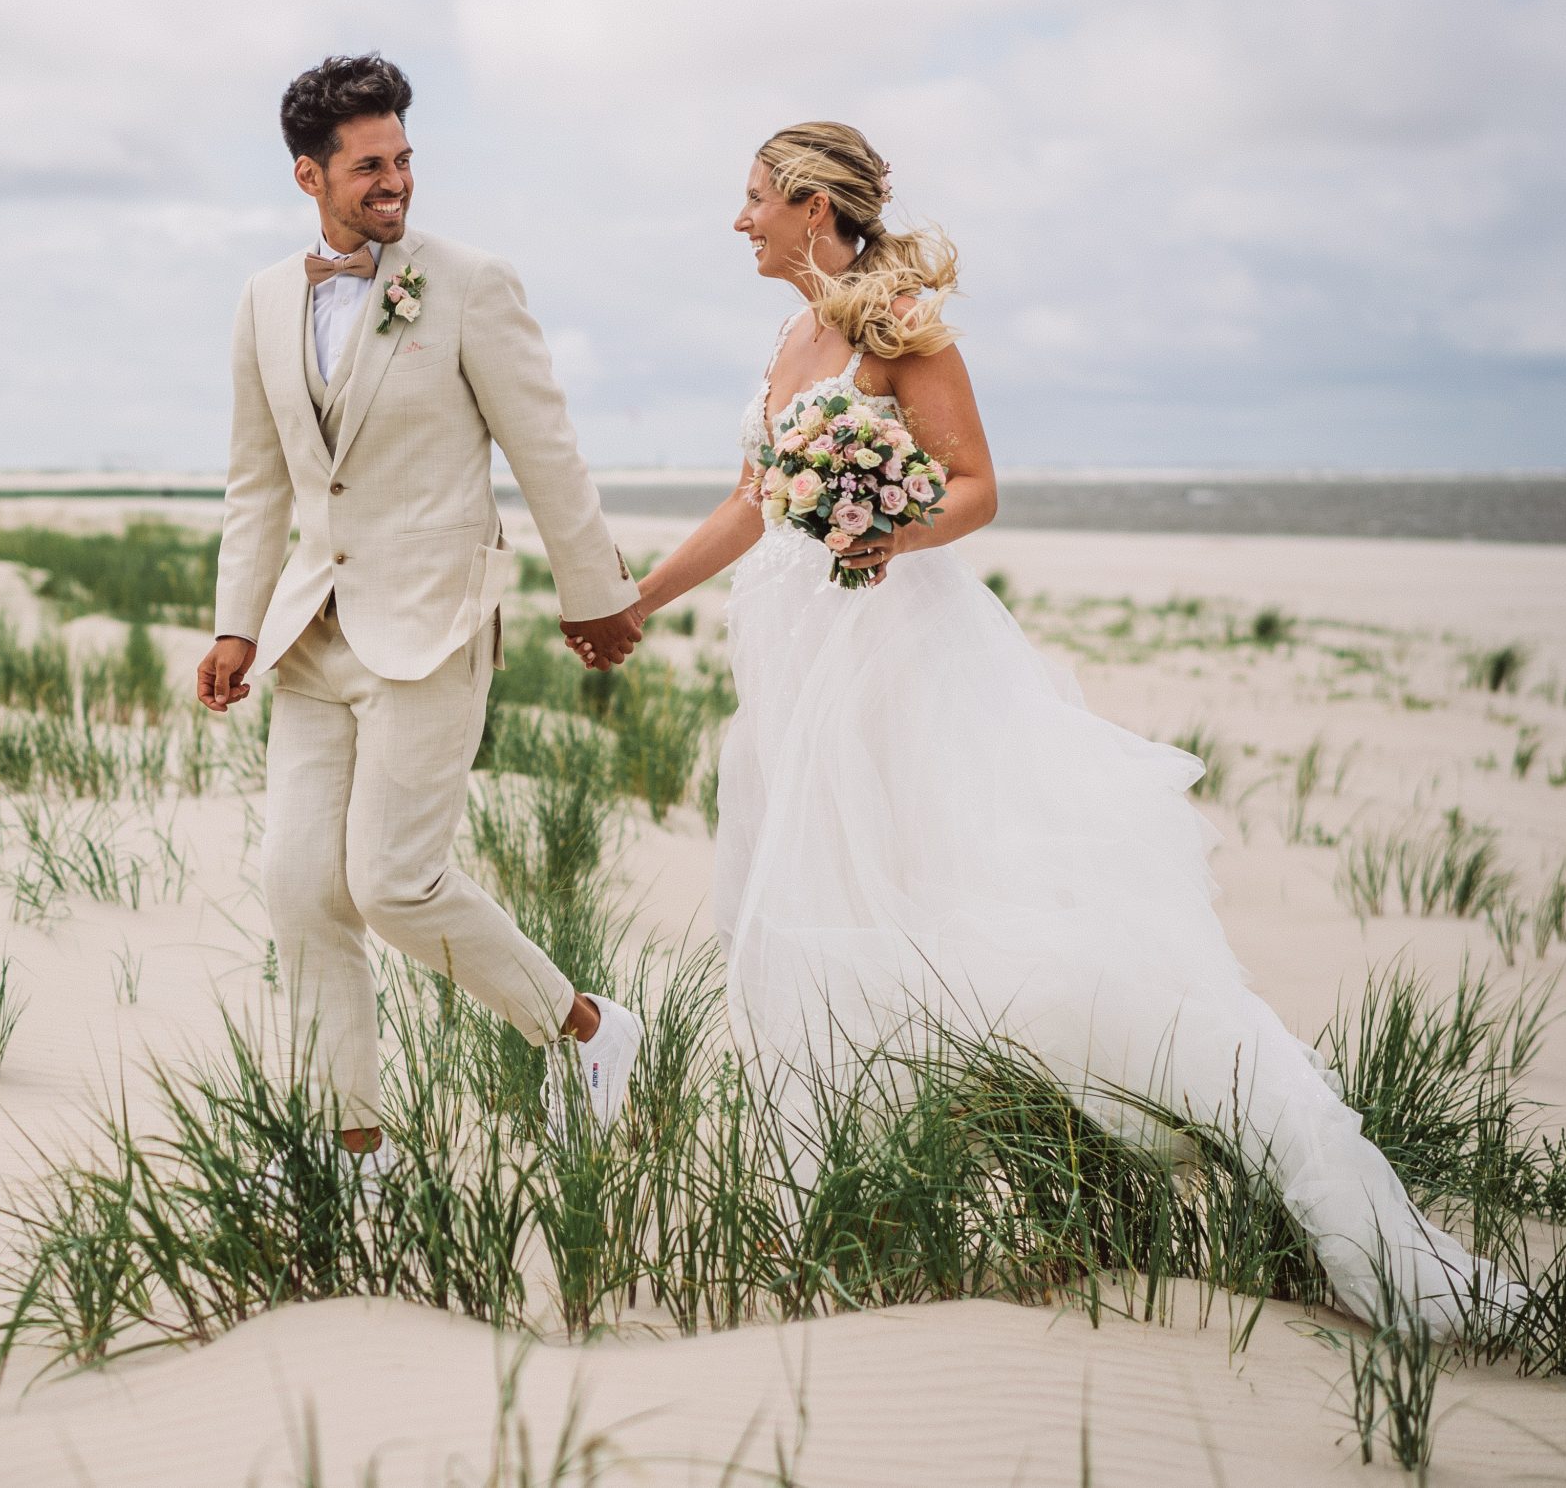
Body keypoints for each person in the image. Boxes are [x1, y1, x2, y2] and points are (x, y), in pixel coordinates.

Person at [620, 119, 1519, 1337]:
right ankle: (832, 1203)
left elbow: (977, 483)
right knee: (806, 915)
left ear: (812, 205)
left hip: (894, 655)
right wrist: (634, 602)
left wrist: (886, 529)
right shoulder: (787, 338)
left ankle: (1315, 1192)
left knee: (985, 916)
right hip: (793, 661)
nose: (739, 221)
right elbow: (747, 501)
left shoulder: (897, 326)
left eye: (753, 199)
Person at [195, 54, 649, 1169]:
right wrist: (235, 624)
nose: (393, 181)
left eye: (403, 159)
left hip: (434, 627)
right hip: (312, 635)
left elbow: (546, 451)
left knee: (393, 884)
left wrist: (597, 595)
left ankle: (585, 1029)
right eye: (367, 166)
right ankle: (358, 1149)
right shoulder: (263, 299)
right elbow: (260, 480)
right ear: (310, 175)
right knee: (301, 889)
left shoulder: (471, 281)